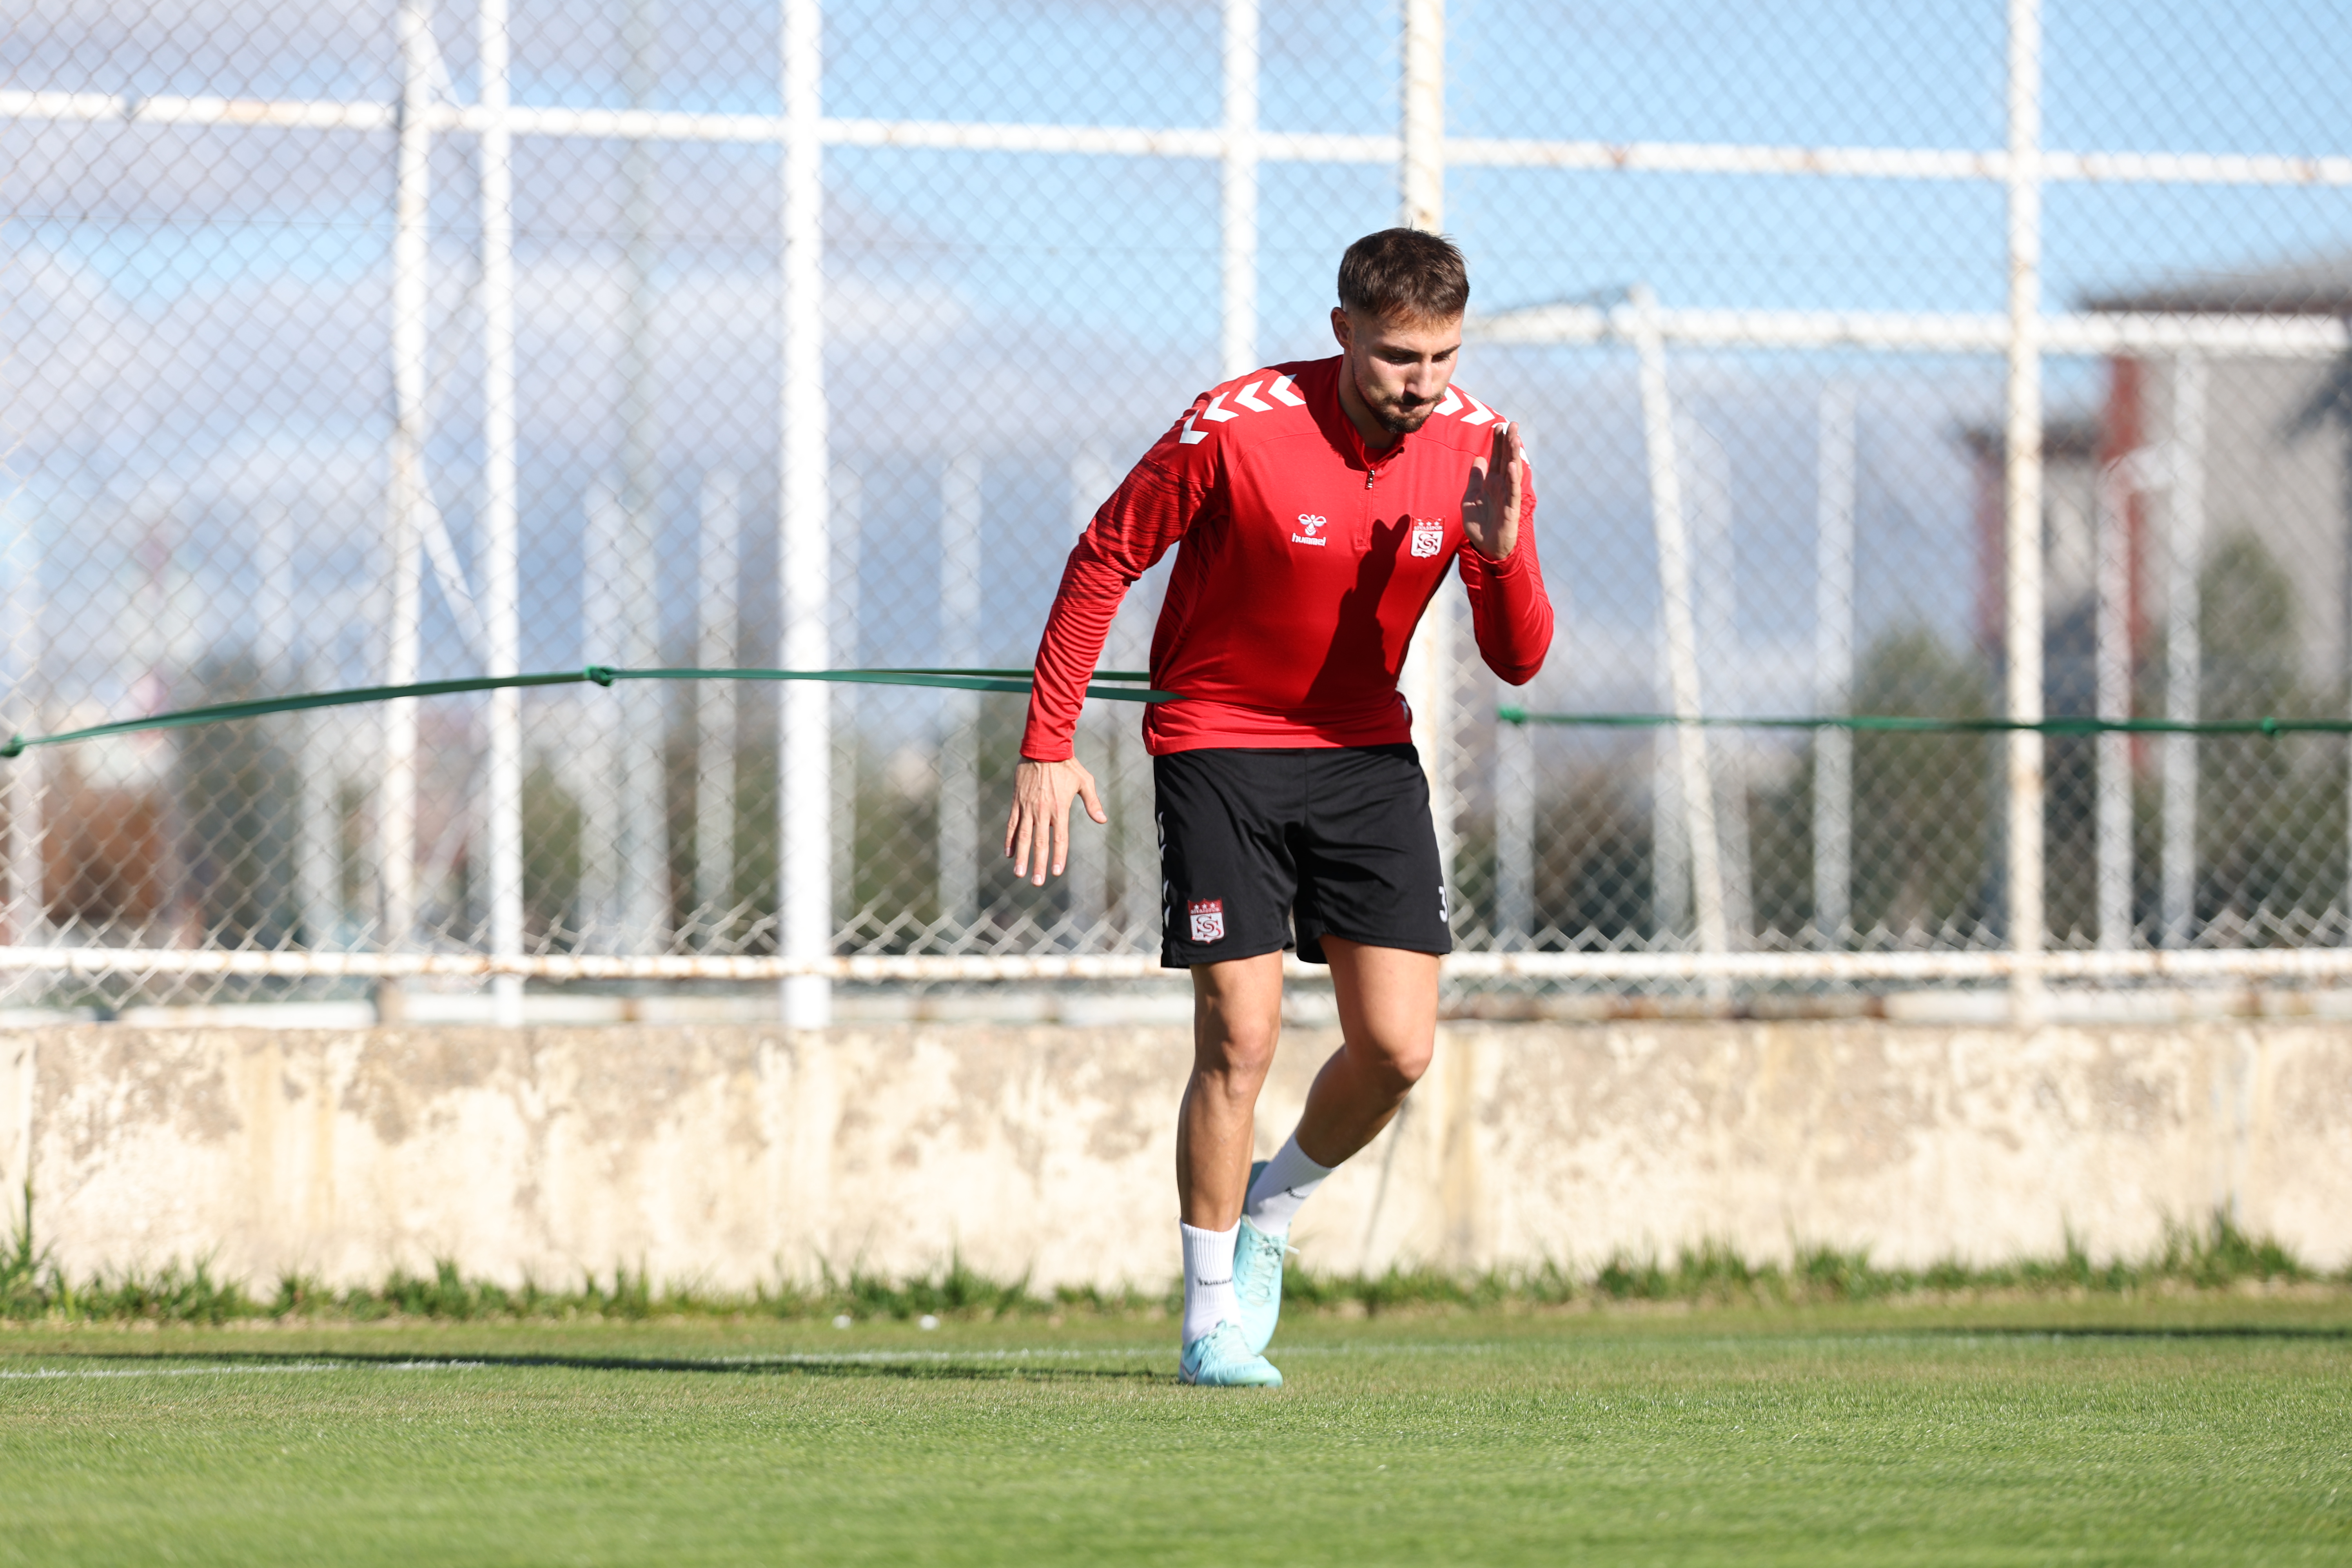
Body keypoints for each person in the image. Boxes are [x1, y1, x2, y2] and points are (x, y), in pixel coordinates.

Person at [1003, 228, 1553, 1387]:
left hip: (1364, 756)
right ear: (1344, 330)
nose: (1425, 384)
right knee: (1241, 1038)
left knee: (1398, 1049)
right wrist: (1049, 743)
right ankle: (1211, 1322)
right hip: (1219, 744)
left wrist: (1501, 557)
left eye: (1445, 357)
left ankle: (1273, 1205)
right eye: (1402, 357)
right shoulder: (1234, 427)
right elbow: (1104, 557)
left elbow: (1517, 662)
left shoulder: (1475, 451)